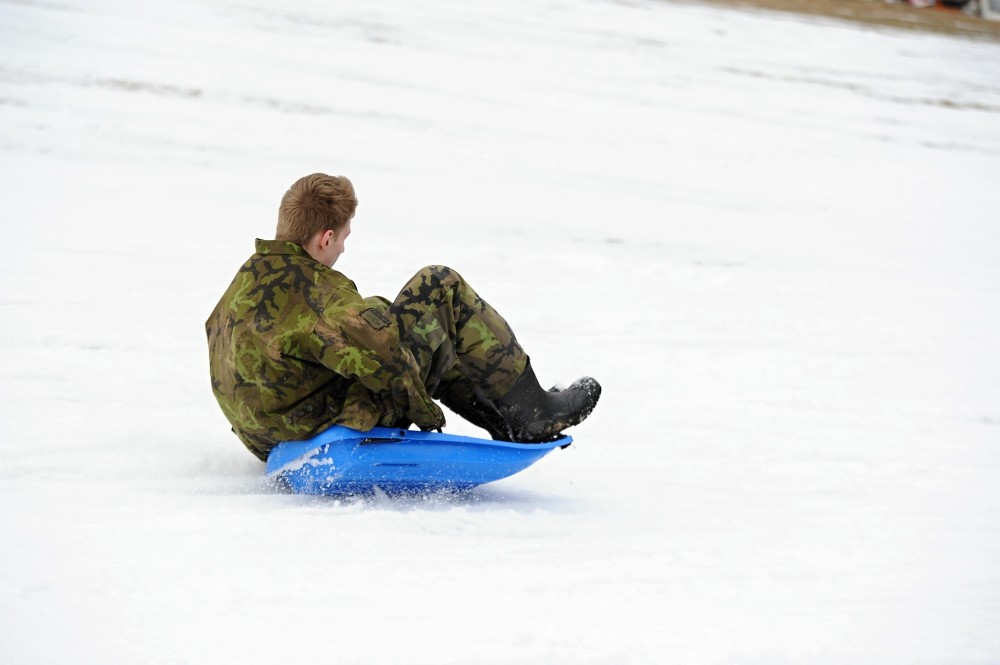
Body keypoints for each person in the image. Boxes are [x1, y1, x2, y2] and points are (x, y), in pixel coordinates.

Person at [206, 173, 601, 462]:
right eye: (343, 237)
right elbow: (388, 360)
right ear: (325, 238)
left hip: (264, 437)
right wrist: (426, 414)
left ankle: (503, 419)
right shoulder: (318, 291)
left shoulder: (246, 281)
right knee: (438, 288)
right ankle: (532, 415)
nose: (342, 248)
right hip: (325, 430)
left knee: (399, 321)